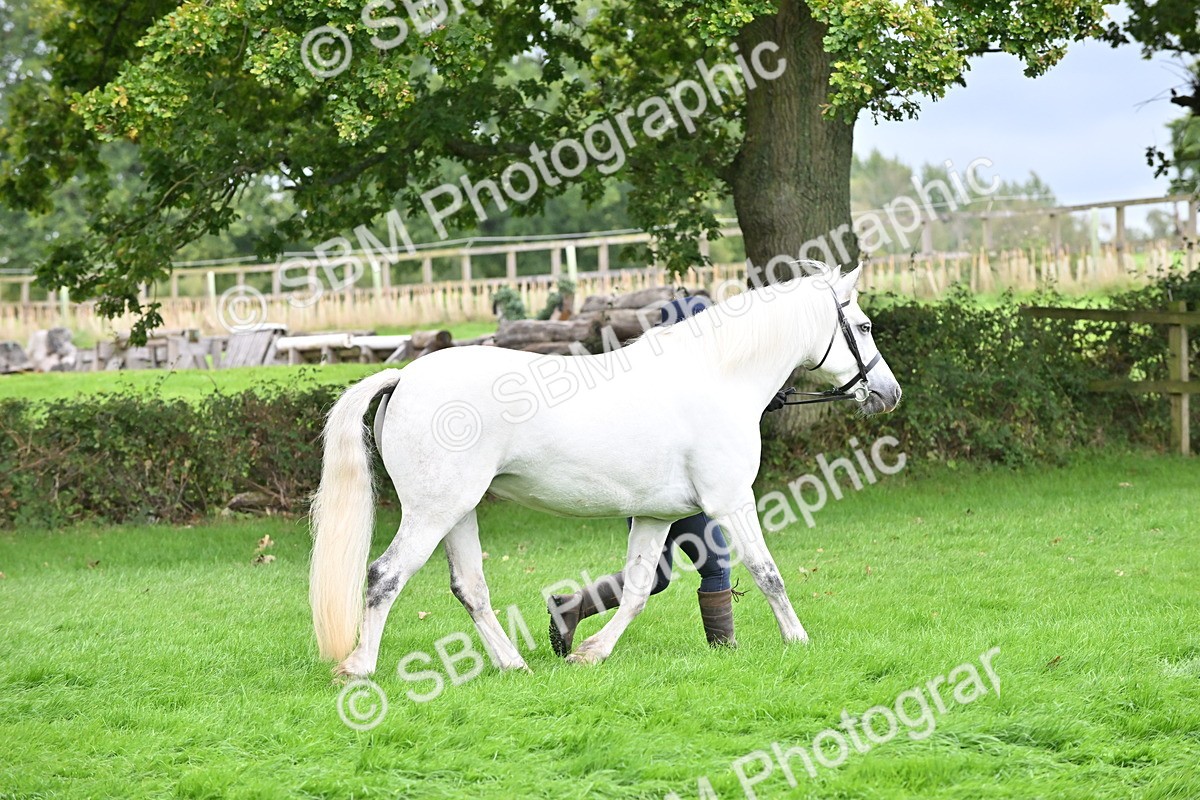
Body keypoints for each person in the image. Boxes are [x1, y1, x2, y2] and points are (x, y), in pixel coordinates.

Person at [546, 293, 789, 657]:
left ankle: (573, 606)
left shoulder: (657, 372)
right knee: (716, 565)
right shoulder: (691, 373)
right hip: (677, 490)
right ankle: (725, 652)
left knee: (655, 578)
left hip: (643, 488)